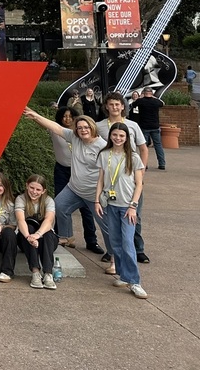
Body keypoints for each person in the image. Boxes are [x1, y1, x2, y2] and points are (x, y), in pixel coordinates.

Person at [94, 123, 147, 299]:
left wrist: (133, 206)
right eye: (115, 135)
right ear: (110, 136)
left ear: (127, 138)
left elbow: (139, 184)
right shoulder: (104, 155)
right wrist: (97, 200)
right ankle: (124, 275)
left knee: (127, 242)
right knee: (115, 242)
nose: (118, 138)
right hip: (110, 204)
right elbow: (101, 180)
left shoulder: (133, 157)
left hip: (127, 206)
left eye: (121, 136)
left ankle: (135, 281)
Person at [97, 92, 149, 264]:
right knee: (111, 219)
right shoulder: (100, 126)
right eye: (111, 104)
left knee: (134, 215)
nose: (114, 107)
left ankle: (138, 248)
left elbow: (143, 149)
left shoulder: (132, 125)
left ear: (122, 106)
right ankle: (112, 252)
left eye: (117, 104)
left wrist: (141, 172)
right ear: (106, 106)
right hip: (111, 179)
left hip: (130, 176)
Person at [46, 106, 102, 252]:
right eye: (64, 116)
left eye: (86, 127)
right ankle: (64, 236)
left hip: (91, 187)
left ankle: (95, 243)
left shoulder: (100, 145)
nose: (67, 119)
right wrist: (32, 114)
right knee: (60, 204)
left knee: (94, 216)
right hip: (66, 174)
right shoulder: (69, 135)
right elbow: (52, 126)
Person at [14, 174, 60, 289]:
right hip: (26, 237)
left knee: (48, 234)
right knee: (28, 226)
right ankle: (35, 272)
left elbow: (49, 221)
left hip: (45, 238)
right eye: (32, 188)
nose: (34, 192)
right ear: (27, 186)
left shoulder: (49, 201)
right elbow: (20, 220)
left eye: (38, 189)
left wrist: (37, 235)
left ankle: (48, 274)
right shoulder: (21, 199)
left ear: (43, 191)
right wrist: (29, 236)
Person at [131, 87, 166, 170]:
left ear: (143, 93)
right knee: (158, 145)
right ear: (152, 93)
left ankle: (145, 164)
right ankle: (162, 164)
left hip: (144, 126)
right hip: (155, 126)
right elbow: (163, 103)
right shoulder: (156, 101)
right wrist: (154, 97)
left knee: (144, 146)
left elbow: (133, 105)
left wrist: (140, 97)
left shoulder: (140, 101)